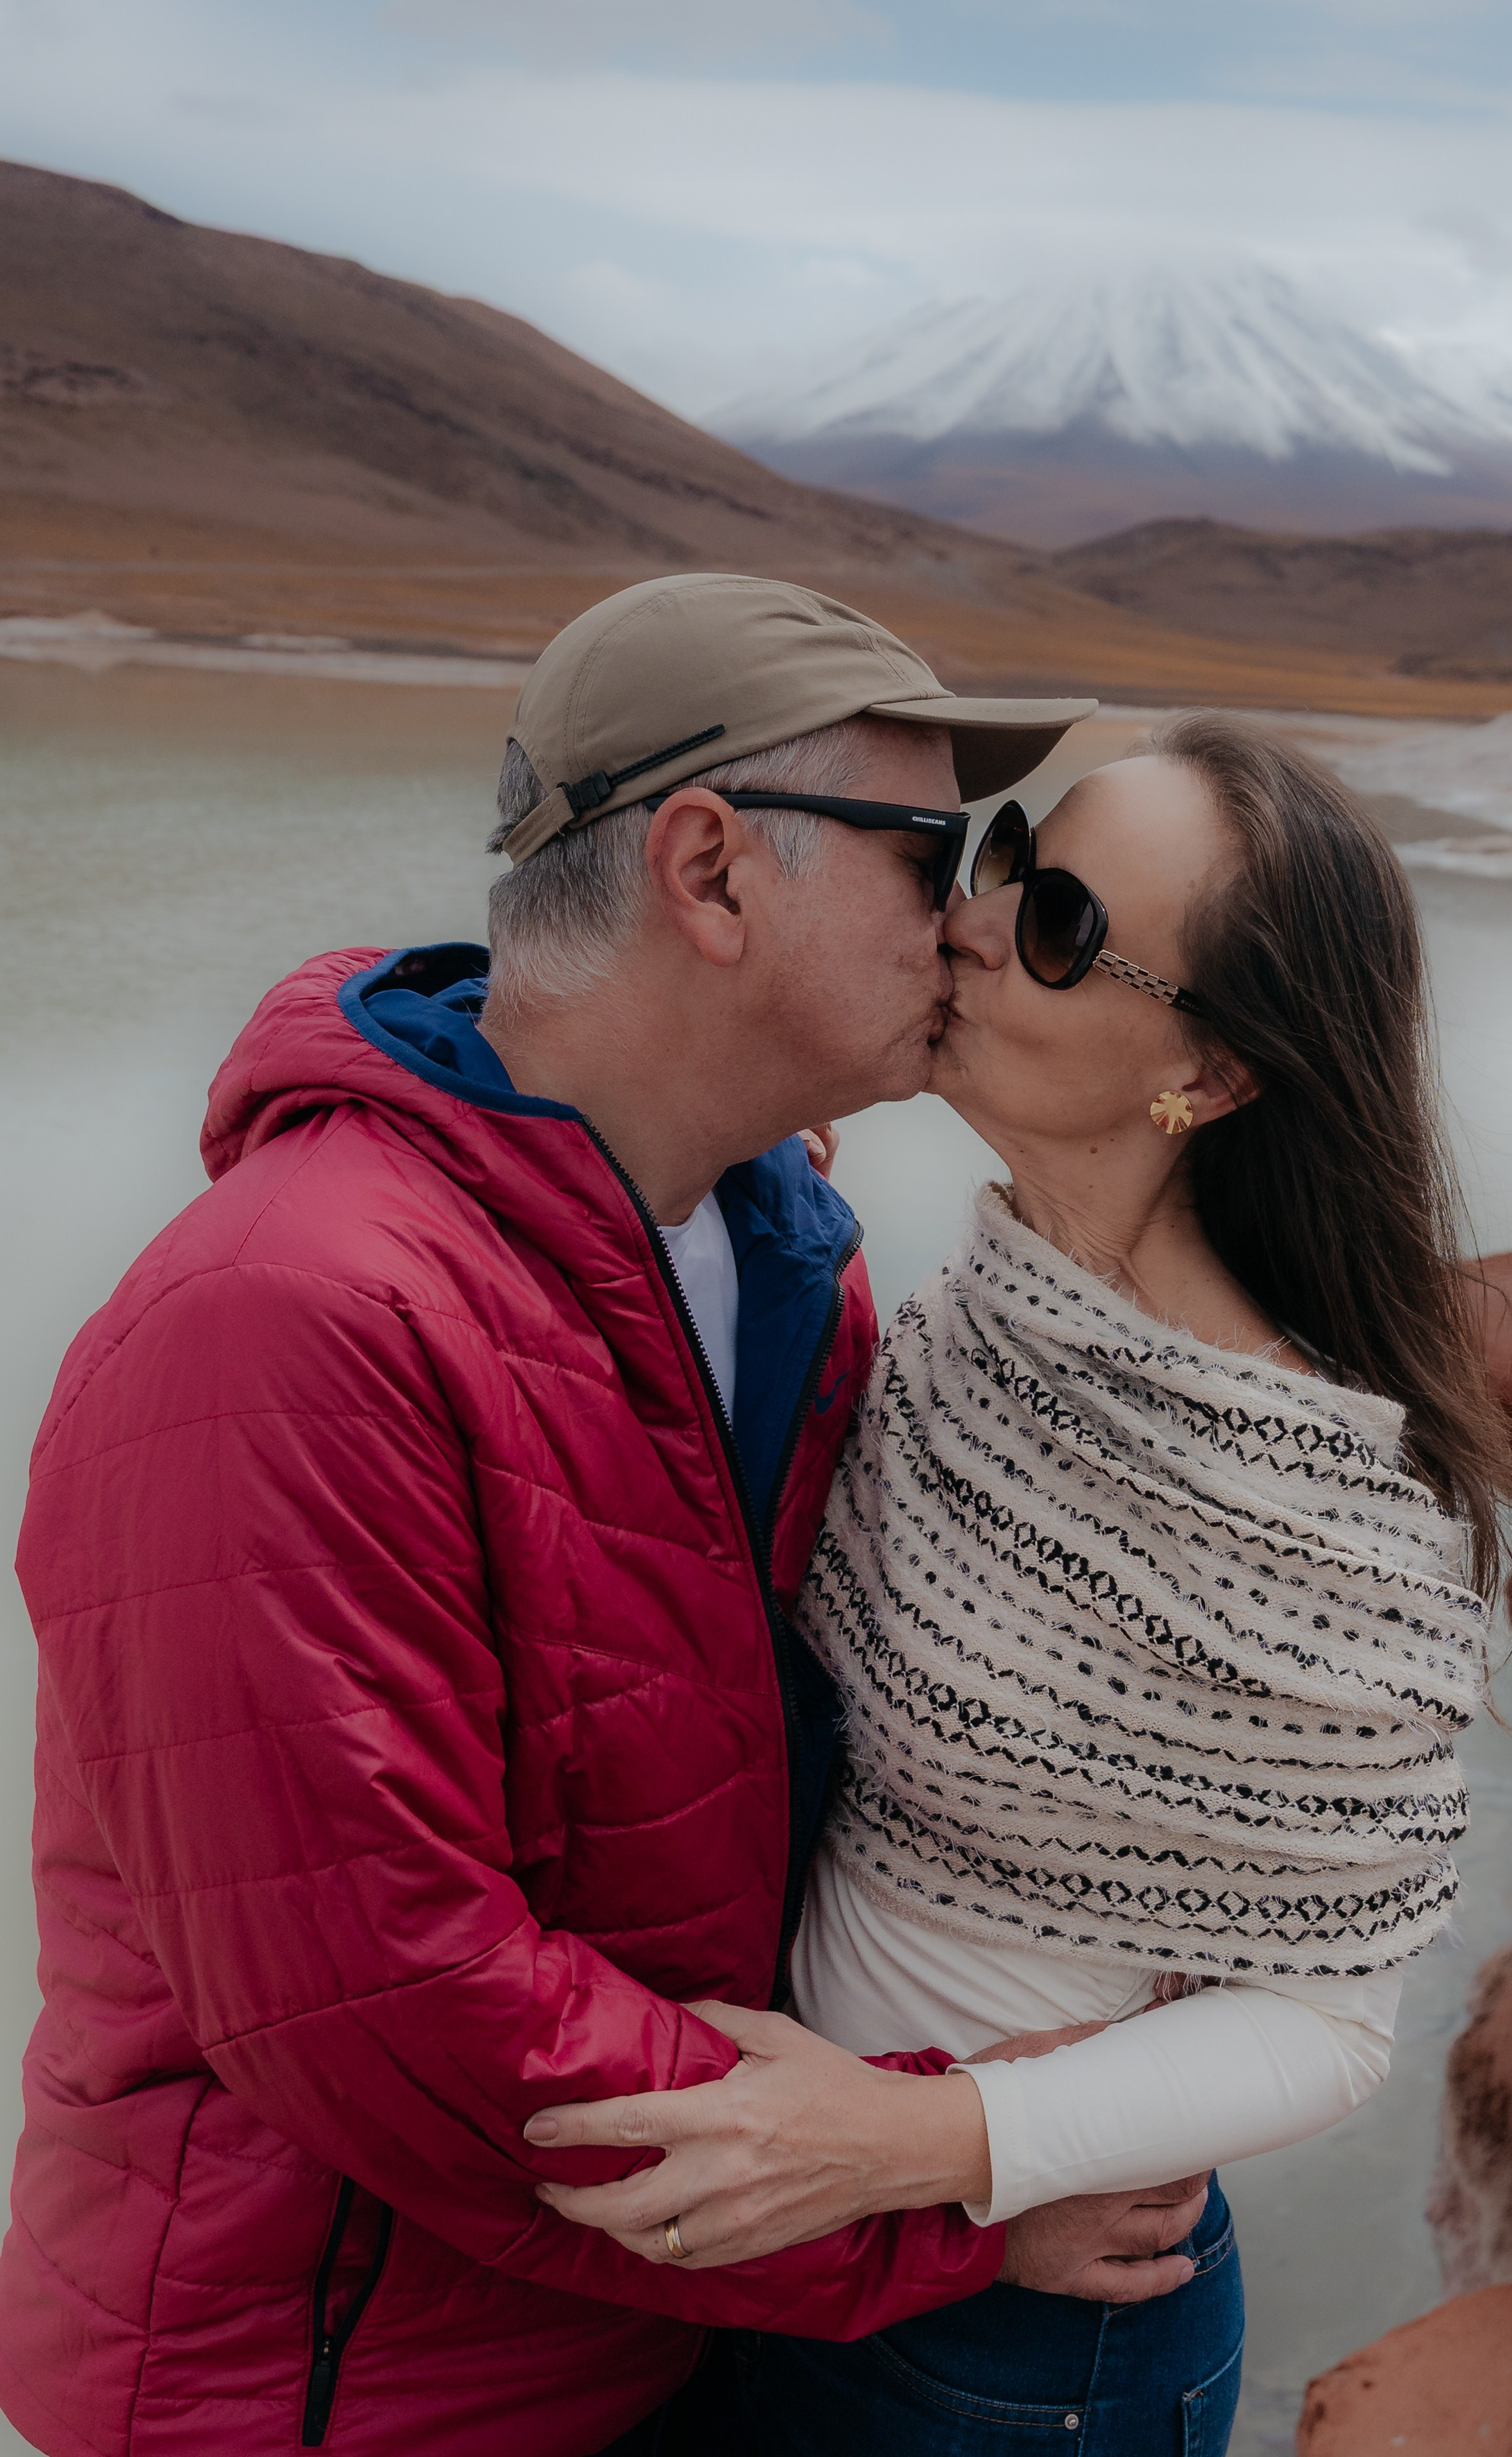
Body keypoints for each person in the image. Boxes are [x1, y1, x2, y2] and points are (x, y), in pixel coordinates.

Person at [1, 575, 1212, 2457]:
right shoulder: (285, 1320)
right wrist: (955, 2193)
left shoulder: (774, 1248)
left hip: (639, 2337)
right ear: (714, 875)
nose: (975, 920)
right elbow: (404, 2014)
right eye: (933, 852)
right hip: (336, 2394)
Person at [523, 714, 1512, 2455]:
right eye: (999, 858)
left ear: (1206, 1079)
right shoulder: (980, 1320)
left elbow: (1324, 2029)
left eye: (1055, 923)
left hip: (1020, 2338)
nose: (970, 922)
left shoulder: (1326, 1511)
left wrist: (915, 2144)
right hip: (807, 2250)